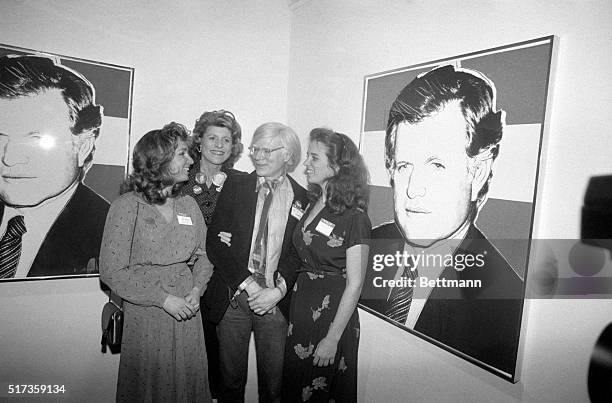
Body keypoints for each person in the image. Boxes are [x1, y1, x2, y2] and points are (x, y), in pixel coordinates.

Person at [359, 64, 524, 375]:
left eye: (436, 165)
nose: (412, 189)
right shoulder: (371, 245)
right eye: (404, 165)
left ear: (478, 173)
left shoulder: (503, 302)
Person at [99, 122, 213, 402]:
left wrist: (197, 290)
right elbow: (111, 271)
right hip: (148, 314)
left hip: (188, 310)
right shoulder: (127, 206)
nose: (191, 160)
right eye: (182, 154)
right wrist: (163, 300)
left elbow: (205, 256)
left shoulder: (189, 205)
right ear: (159, 161)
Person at [205, 122, 308, 403]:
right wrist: (250, 286)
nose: (258, 156)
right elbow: (214, 242)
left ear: (287, 155)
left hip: (275, 303)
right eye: (255, 149)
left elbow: (298, 253)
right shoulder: (236, 185)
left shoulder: (304, 198)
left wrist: (277, 291)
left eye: (266, 150)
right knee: (229, 384)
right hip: (235, 296)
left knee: (274, 388)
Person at [282, 128, 370, 403]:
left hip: (331, 319)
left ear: (336, 166)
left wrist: (332, 339)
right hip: (301, 313)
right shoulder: (313, 203)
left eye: (313, 158)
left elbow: (355, 283)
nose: (306, 164)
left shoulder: (355, 218)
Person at [0, 54, 108, 279]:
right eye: (0, 137)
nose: (9, 158)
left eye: (36, 139)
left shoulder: (109, 229)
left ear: (83, 146)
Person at [181, 109, 245, 399]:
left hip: (225, 284)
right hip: (186, 281)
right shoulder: (180, 178)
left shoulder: (242, 182)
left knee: (223, 371)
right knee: (188, 365)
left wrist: (238, 237)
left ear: (234, 147)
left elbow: (253, 229)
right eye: (212, 138)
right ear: (199, 141)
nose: (219, 145)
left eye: (226, 140)